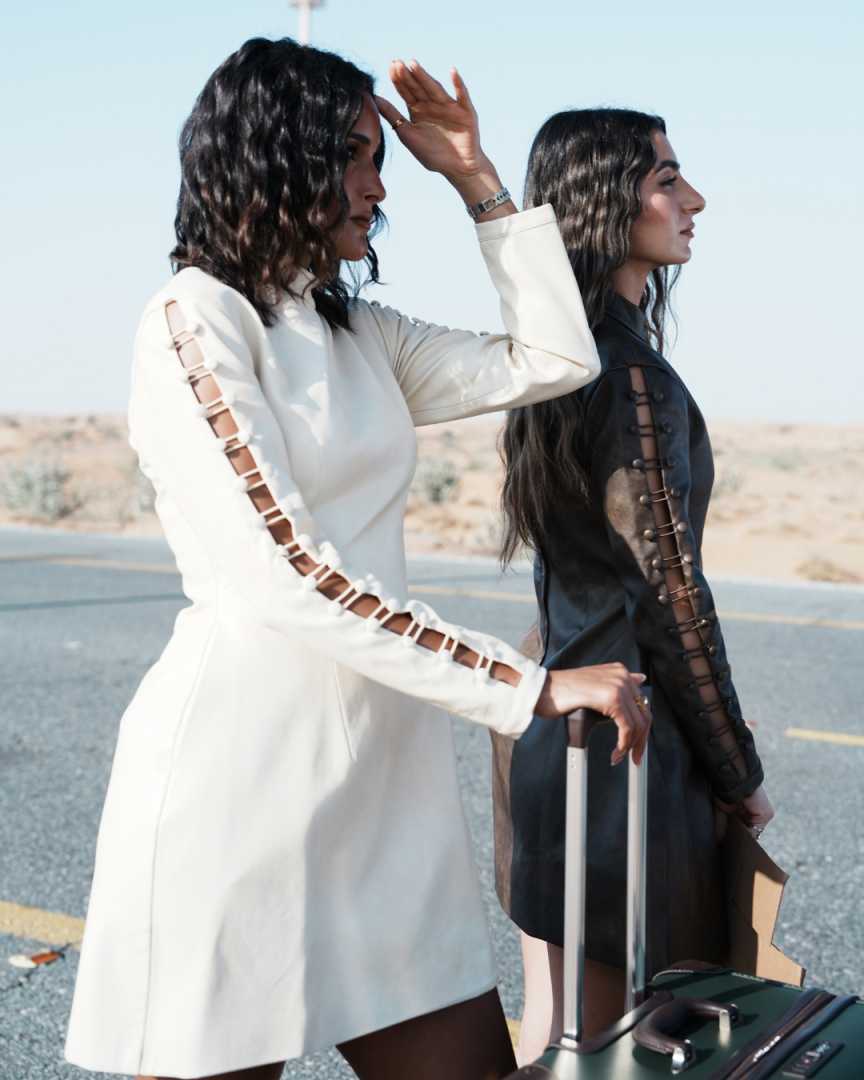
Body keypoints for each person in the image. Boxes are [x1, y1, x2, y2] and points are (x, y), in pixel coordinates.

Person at [64, 41, 651, 1080]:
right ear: (274, 156)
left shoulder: (358, 334)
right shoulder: (194, 320)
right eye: (356, 154)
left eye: (381, 157)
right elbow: (290, 572)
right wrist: (529, 685)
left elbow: (556, 358)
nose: (380, 186)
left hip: (385, 798)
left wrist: (475, 179)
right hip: (240, 794)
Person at [493, 108, 775, 1064]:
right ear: (606, 203)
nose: (692, 199)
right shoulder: (627, 378)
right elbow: (674, 602)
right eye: (666, 179)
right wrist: (738, 771)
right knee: (615, 1053)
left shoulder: (558, 363)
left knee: (556, 1040)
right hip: (621, 763)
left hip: (554, 744)